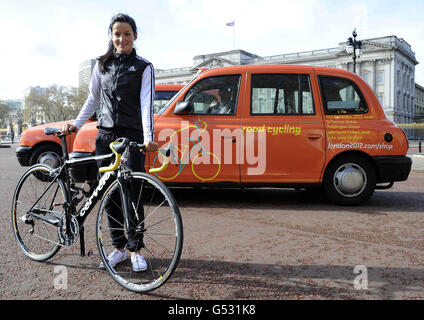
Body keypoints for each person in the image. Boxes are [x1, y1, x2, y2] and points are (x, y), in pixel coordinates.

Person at [62, 13, 157, 272]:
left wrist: (148, 139)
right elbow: (93, 99)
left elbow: (147, 105)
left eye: (127, 33)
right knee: (110, 193)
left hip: (132, 137)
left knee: (132, 192)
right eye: (117, 33)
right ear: (111, 36)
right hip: (105, 137)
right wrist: (76, 124)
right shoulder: (100, 65)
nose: (122, 38)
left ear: (135, 36)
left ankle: (135, 248)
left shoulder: (144, 67)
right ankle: (118, 247)